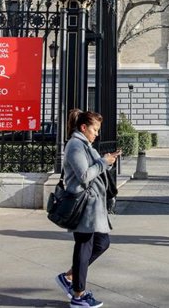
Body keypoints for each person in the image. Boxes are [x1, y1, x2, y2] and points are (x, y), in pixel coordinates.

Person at [55, 109, 121, 308]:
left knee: (102, 243)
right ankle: (78, 294)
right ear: (83, 128)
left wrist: (107, 161)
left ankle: (69, 277)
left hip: (94, 206)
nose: (97, 133)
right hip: (84, 205)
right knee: (84, 247)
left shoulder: (85, 144)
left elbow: (95, 168)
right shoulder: (75, 145)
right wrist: (103, 162)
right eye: (95, 129)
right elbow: (84, 176)